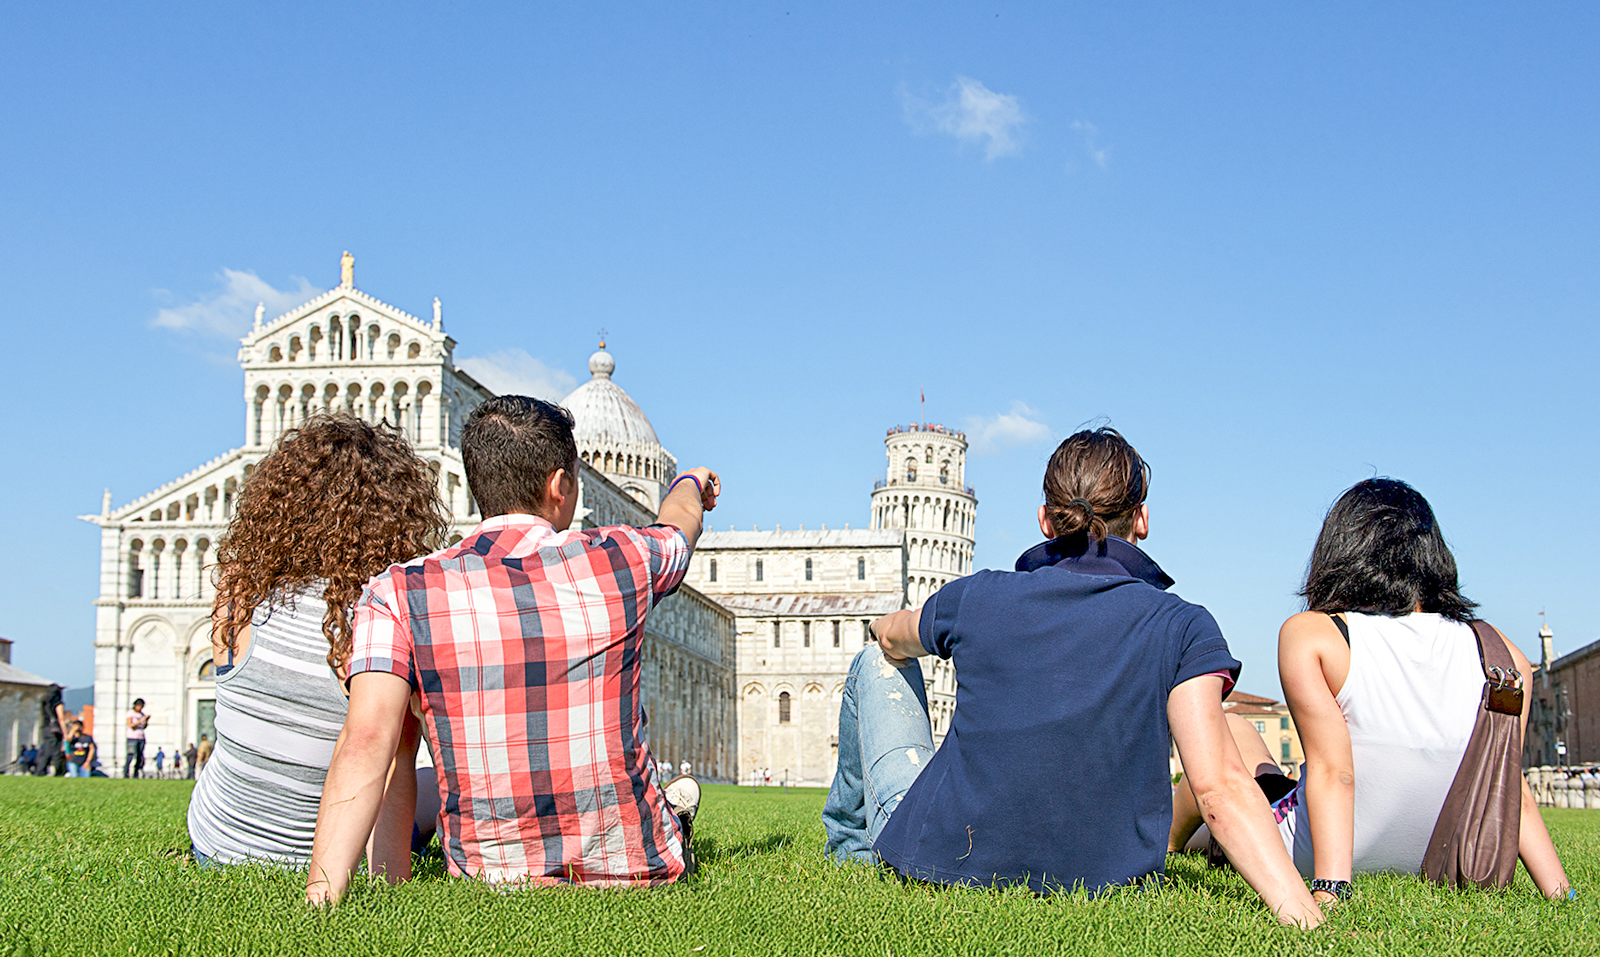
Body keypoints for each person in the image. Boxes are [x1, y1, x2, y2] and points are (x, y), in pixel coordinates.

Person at [823, 428, 1323, 926]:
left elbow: (892, 638)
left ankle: (850, 844)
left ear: (1045, 519)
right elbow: (1219, 788)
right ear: (1142, 519)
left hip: (944, 858)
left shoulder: (977, 597)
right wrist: (1302, 914)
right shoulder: (1181, 625)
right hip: (1109, 876)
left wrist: (882, 626)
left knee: (875, 659)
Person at [307, 396, 719, 903]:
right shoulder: (623, 558)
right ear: (559, 486)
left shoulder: (397, 592)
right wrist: (689, 484)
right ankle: (672, 821)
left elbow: (369, 739)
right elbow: (679, 526)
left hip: (490, 877)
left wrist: (323, 894)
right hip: (635, 869)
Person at [1170, 478, 1571, 903]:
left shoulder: (1317, 635)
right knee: (1263, 768)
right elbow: (1509, 786)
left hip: (1314, 851)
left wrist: (1330, 889)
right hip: (1445, 852)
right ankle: (1208, 829)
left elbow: (1335, 773)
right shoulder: (1504, 653)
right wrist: (1561, 894)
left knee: (1231, 731)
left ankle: (1173, 844)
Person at [187, 413, 446, 871]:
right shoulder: (378, 620)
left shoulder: (236, 594)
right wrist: (390, 883)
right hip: (324, 854)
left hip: (215, 845)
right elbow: (391, 767)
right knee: (427, 778)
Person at [124, 698, 150, 778]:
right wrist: (140, 720)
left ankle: (136, 773)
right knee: (130, 755)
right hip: (132, 737)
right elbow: (131, 725)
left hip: (141, 737)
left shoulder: (142, 714)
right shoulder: (130, 713)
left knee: (140, 756)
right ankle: (126, 773)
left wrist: (146, 721)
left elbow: (143, 727)